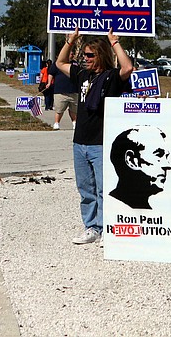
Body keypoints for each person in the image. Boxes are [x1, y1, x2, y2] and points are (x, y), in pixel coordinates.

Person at [55, 28, 134, 245]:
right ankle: (92, 227)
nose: (85, 59)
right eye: (84, 55)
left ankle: (107, 227)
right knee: (85, 189)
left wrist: (114, 42)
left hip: (100, 142)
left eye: (90, 55)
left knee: (102, 188)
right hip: (80, 142)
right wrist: (70, 42)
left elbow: (127, 67)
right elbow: (60, 64)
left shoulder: (111, 77)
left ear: (100, 55)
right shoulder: (82, 74)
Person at [108, 125, 171, 210]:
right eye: (159, 155)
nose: (168, 165)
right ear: (131, 160)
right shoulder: (112, 207)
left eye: (166, 156)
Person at [49, 50, 77, 130]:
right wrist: (49, 83)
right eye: (70, 54)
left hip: (74, 91)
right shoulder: (57, 63)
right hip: (60, 91)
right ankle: (56, 123)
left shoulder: (75, 64)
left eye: (72, 54)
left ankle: (75, 123)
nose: (71, 55)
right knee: (59, 109)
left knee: (74, 110)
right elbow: (51, 73)